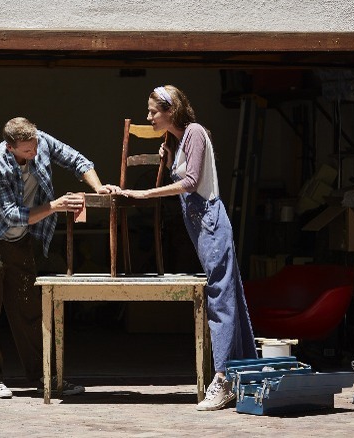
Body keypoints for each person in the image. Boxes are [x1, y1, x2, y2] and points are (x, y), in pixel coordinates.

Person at [122, 85, 257, 411]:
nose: (149, 116)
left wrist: (144, 195)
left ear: (172, 111)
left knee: (220, 300)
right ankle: (245, 375)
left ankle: (223, 377)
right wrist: (170, 159)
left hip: (211, 224)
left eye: (154, 111)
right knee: (229, 296)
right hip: (202, 230)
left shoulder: (195, 132)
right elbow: (184, 173)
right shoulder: (181, 141)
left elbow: (192, 182)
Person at [0, 116, 120, 399]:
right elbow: (12, 214)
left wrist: (97, 187)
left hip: (19, 239)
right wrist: (56, 206)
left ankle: (45, 376)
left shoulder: (41, 141)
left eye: (34, 144)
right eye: (26, 150)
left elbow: (77, 160)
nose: (33, 152)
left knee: (29, 310)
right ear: (10, 147)